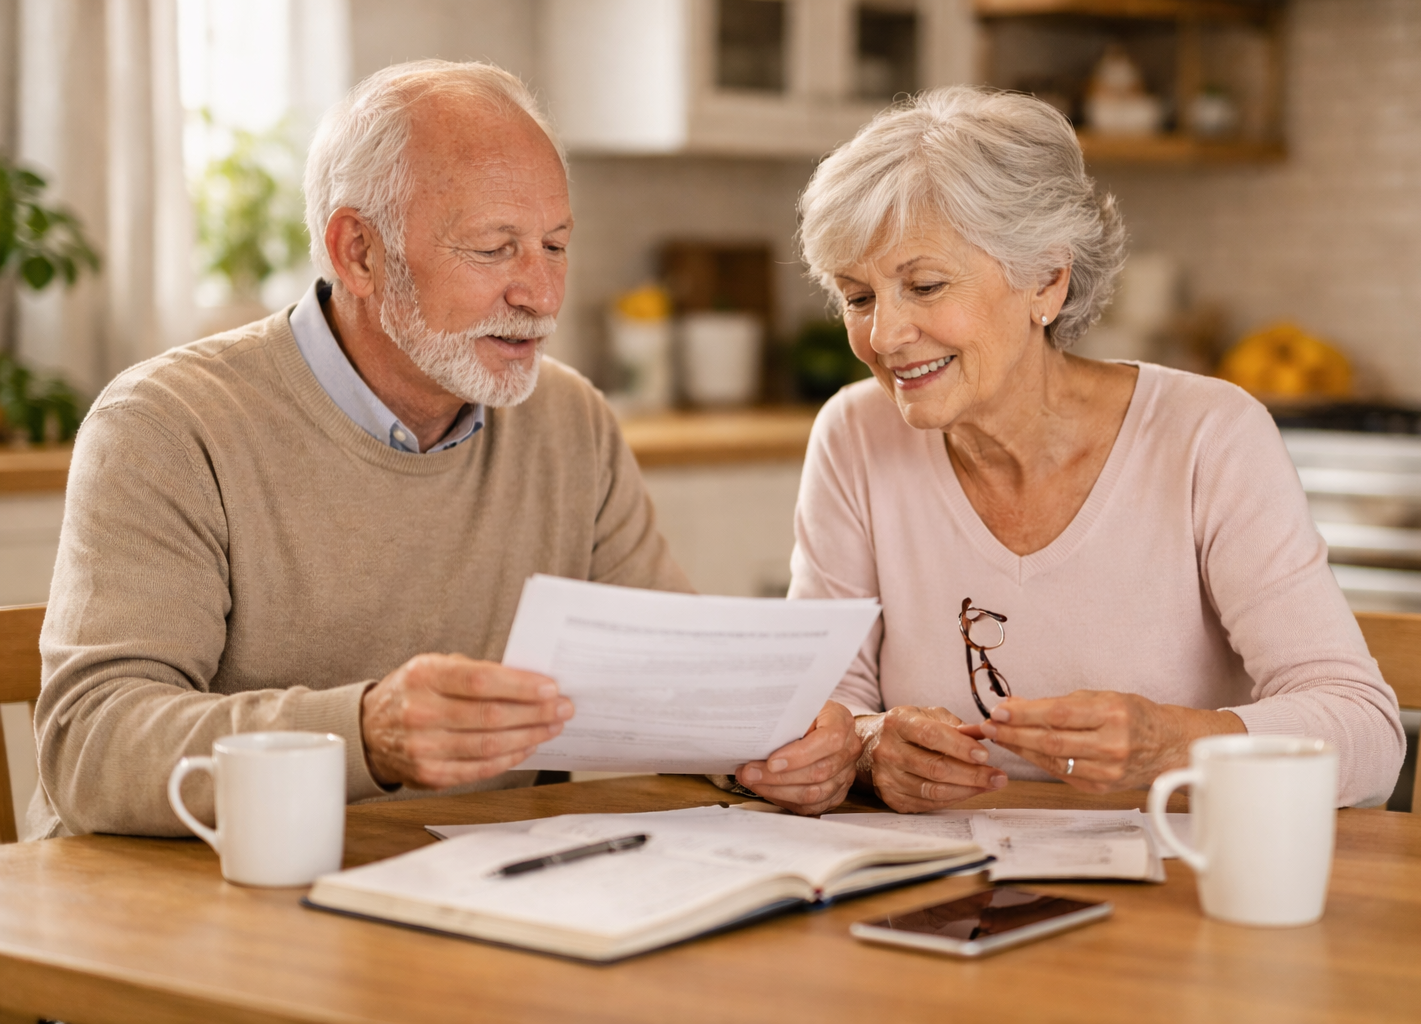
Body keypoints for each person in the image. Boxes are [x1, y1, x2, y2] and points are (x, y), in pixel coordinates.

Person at [28, 60, 843, 839]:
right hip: (188, 907)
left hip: (463, 900)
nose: (542, 294)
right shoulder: (169, 424)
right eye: (493, 250)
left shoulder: (569, 420)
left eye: (555, 245)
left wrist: (795, 740)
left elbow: (682, 689)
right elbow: (92, 745)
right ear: (360, 253)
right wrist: (363, 732)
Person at [765, 86, 1405, 814]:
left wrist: (1176, 745)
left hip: (1178, 890)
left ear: (1046, 279)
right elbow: (826, 703)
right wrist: (872, 749)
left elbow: (1369, 734)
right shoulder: (855, 435)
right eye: (858, 297)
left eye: (925, 285)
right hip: (937, 898)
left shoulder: (1208, 435)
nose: (883, 336)